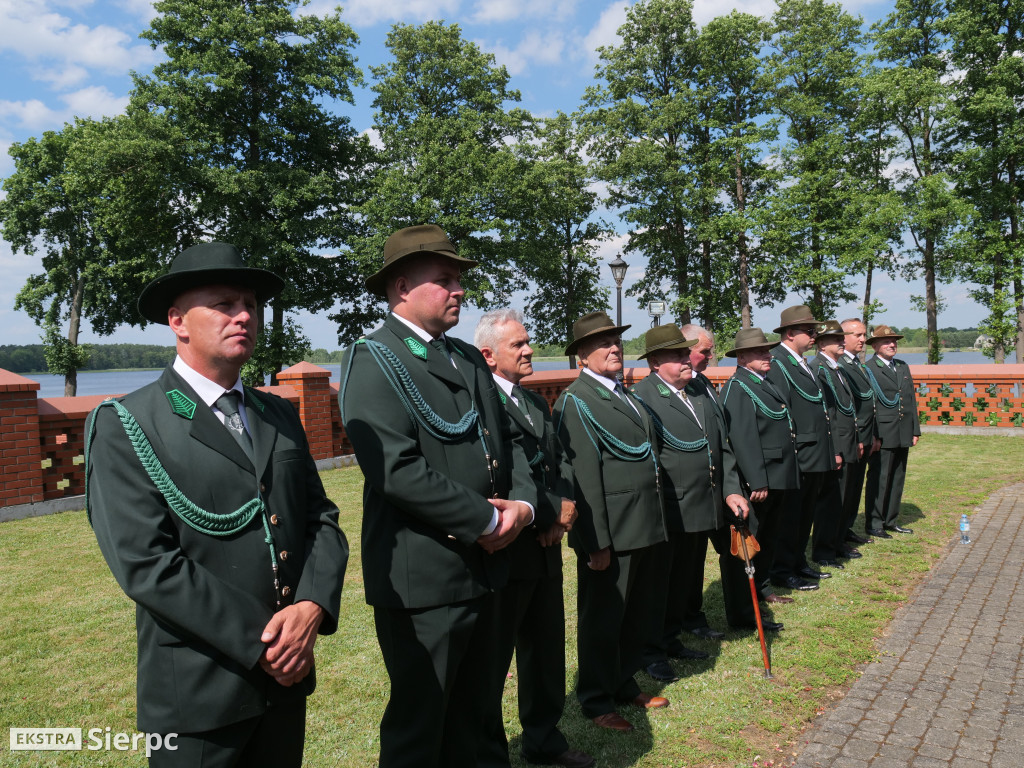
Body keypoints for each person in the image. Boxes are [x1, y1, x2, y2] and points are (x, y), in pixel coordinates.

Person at [86, 242, 349, 767]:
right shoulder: (128, 424)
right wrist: (270, 640)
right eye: (225, 303)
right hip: (198, 694)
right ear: (178, 320)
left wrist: (312, 607)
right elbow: (147, 564)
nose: (245, 315)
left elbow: (321, 521)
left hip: (286, 682)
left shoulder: (276, 414)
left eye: (249, 303)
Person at [339, 224, 537, 768]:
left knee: (477, 713)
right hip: (426, 575)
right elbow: (396, 470)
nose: (459, 290)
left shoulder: (468, 358)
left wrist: (522, 506)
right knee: (422, 723)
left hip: (488, 567)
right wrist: (485, 521)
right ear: (402, 286)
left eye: (459, 280)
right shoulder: (375, 358)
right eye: (445, 279)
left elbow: (510, 441)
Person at [474, 309, 594, 768]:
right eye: (518, 345)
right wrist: (544, 509)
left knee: (545, 648)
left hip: (543, 544)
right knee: (493, 656)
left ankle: (544, 738)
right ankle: (489, 753)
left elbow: (557, 462)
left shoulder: (535, 403)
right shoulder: (480, 404)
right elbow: (502, 472)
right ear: (488, 356)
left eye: (528, 343)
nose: (529, 351)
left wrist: (561, 509)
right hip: (507, 547)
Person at [633, 325, 776, 680]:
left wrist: (731, 489)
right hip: (670, 508)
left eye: (687, 354)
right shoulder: (642, 398)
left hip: (704, 503)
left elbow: (721, 447)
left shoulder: (696, 390)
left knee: (686, 578)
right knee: (658, 586)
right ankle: (652, 652)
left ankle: (674, 637)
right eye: (678, 355)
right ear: (654, 362)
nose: (687, 360)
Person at [554, 311, 669, 734]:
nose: (614, 348)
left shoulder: (625, 394)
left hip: (643, 523)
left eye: (616, 340)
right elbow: (581, 479)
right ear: (582, 355)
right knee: (602, 619)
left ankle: (623, 682)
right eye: (603, 343)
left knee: (635, 612)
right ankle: (596, 698)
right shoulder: (576, 400)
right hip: (612, 532)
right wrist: (593, 543)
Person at [721, 328, 802, 602]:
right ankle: (749, 594)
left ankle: (763, 587)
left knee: (770, 535)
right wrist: (757, 480)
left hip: (777, 472)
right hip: (761, 479)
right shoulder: (738, 386)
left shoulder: (764, 381)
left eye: (768, 350)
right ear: (742, 357)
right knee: (755, 538)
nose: (768, 355)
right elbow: (743, 438)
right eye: (760, 351)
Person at [765, 305, 839, 592]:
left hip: (814, 450)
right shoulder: (779, 361)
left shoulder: (801, 360)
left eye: (815, 330)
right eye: (809, 331)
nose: (814, 335)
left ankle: (797, 562)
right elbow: (782, 408)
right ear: (790, 332)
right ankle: (782, 569)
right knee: (791, 517)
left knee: (805, 512)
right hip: (800, 451)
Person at [809, 321, 861, 568]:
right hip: (837, 444)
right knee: (830, 502)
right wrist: (836, 450)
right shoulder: (818, 368)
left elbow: (846, 408)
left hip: (848, 440)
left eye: (842, 337)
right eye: (836, 338)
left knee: (844, 498)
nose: (842, 341)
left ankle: (838, 542)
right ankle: (824, 552)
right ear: (821, 343)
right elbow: (827, 413)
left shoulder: (835, 367)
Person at [863, 325, 921, 538]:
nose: (892, 344)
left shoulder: (903, 367)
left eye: (894, 341)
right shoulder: (868, 368)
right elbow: (869, 405)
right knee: (880, 477)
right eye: (886, 341)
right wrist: (874, 435)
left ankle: (891, 520)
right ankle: (875, 523)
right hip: (883, 432)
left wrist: (915, 429)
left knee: (897, 476)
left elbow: (911, 400)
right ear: (875, 346)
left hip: (903, 430)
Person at [838, 319, 880, 545]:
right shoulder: (842, 365)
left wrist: (871, 435)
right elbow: (848, 406)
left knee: (855, 489)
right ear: (843, 337)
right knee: (844, 490)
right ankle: (838, 532)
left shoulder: (855, 364)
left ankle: (846, 528)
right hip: (852, 439)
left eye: (864, 335)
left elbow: (868, 404)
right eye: (857, 335)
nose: (863, 340)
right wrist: (858, 437)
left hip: (863, 437)